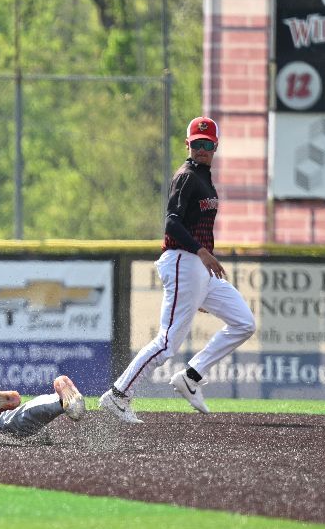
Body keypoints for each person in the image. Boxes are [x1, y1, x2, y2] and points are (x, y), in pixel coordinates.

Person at [99, 116, 255, 424]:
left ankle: (192, 376)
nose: (202, 149)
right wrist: (202, 254)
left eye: (207, 144)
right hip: (186, 260)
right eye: (197, 144)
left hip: (198, 268)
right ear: (188, 145)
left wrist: (199, 279)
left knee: (243, 322)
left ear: (215, 147)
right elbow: (171, 221)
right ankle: (118, 396)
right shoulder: (187, 176)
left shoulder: (204, 178)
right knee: (167, 342)